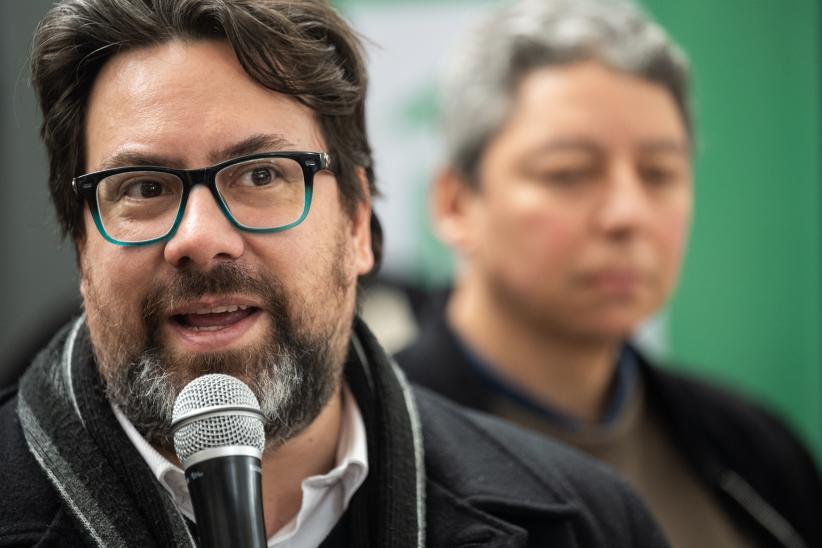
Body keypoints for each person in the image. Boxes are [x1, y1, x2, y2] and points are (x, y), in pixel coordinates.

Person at [0, 0, 673, 546]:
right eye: (143, 187)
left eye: (262, 175)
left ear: (356, 223)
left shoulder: (585, 523)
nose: (201, 238)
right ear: (83, 245)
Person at [395, 0, 822, 547]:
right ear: (455, 203)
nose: (627, 214)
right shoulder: (372, 453)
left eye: (659, 173)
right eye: (569, 173)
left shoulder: (754, 452)